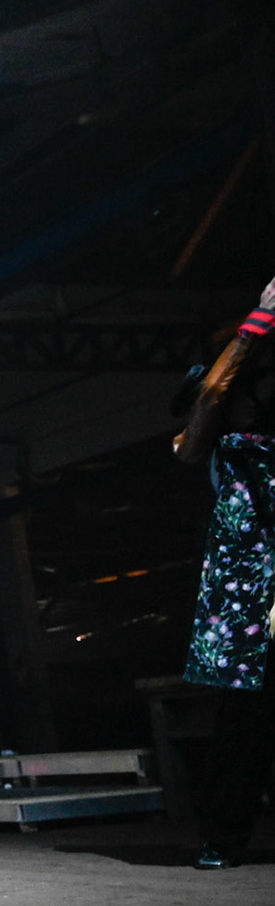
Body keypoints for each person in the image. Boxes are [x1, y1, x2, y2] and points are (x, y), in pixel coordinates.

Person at [174, 272, 275, 867]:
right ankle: (222, 837)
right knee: (244, 723)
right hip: (246, 603)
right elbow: (212, 396)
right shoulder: (208, 442)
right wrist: (258, 321)